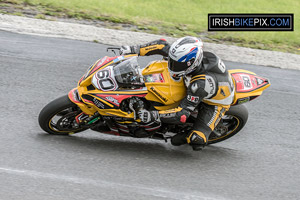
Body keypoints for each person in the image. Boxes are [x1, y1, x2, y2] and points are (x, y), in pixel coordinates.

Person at [120, 36, 234, 150]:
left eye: (177, 64)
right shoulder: (184, 58)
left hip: (214, 102)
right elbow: (161, 45)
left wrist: (153, 115)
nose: (172, 65)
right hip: (203, 83)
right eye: (171, 60)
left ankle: (192, 134)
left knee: (196, 139)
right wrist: (133, 49)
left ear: (192, 64)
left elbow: (181, 115)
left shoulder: (199, 85)